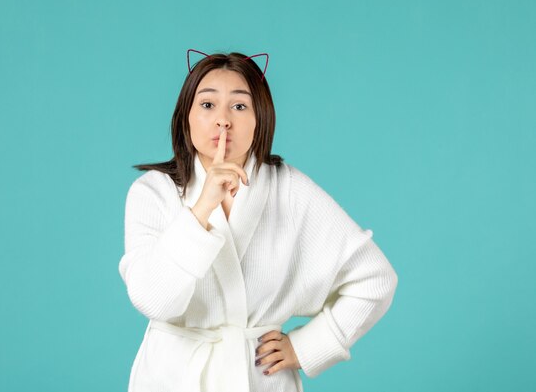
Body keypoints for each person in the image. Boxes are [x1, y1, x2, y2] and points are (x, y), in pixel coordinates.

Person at [118, 49, 398, 392]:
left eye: (239, 106)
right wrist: (202, 208)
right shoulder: (152, 193)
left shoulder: (289, 190)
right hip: (171, 378)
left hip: (258, 379)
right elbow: (153, 300)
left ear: (259, 119)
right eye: (207, 105)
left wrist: (309, 346)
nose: (223, 119)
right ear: (186, 117)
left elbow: (376, 279)